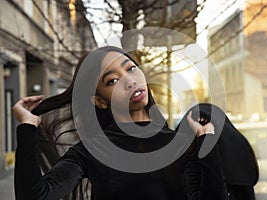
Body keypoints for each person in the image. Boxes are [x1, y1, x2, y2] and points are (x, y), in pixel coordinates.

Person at [13, 46, 228, 200]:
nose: (130, 81)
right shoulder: (91, 150)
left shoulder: (182, 144)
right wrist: (27, 126)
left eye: (131, 68)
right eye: (112, 81)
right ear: (99, 100)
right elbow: (34, 195)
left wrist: (206, 140)